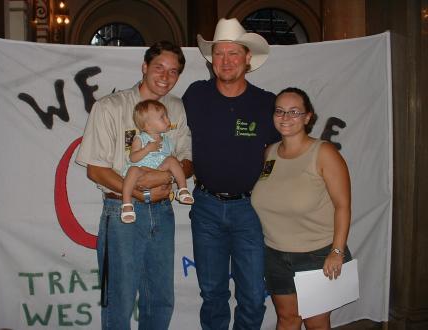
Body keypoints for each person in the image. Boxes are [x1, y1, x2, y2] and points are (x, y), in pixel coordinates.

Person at [75, 41, 192, 330]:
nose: (166, 77)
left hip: (163, 211)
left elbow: (188, 160)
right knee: (119, 299)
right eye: (159, 68)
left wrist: (166, 178)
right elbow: (95, 169)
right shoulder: (109, 107)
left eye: (174, 71)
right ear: (144, 68)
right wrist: (137, 190)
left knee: (160, 299)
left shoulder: (176, 107)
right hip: (121, 212)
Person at [182, 18, 280, 330]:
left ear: (248, 58)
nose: (225, 61)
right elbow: (175, 141)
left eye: (233, 54)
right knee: (212, 293)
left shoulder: (266, 102)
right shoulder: (195, 95)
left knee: (252, 295)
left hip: (251, 209)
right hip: (206, 207)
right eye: (219, 54)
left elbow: (282, 156)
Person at [251, 87, 352, 330]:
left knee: (316, 323)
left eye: (294, 112)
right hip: (275, 254)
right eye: (280, 111)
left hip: (317, 254)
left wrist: (336, 251)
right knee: (287, 320)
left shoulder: (324, 153)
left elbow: (343, 205)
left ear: (308, 117)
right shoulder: (270, 153)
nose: (285, 118)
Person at [120, 99, 194, 223]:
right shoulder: (140, 138)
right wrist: (147, 149)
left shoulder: (167, 140)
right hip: (141, 171)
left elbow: (170, 158)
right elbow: (132, 158)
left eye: (166, 116)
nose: (168, 120)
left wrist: (175, 164)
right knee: (132, 170)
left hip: (159, 170)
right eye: (162, 117)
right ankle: (127, 203)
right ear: (148, 125)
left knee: (172, 160)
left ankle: (183, 189)